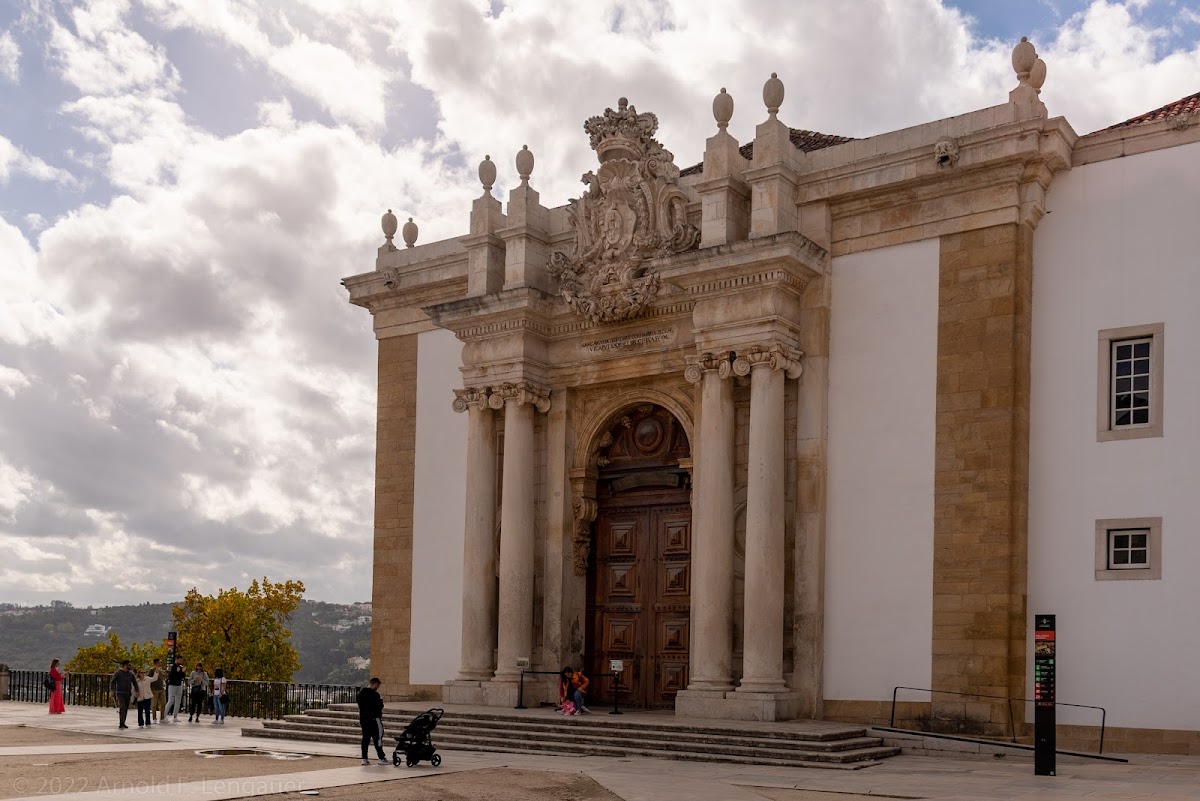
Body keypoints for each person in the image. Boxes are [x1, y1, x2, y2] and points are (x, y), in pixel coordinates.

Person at [356, 677, 388, 766]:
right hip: (374, 719)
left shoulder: (360, 693)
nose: (377, 687)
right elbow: (379, 706)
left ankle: (364, 758)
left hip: (364, 719)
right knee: (378, 738)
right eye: (377, 685)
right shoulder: (375, 695)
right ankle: (381, 757)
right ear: (374, 684)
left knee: (365, 739)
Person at [109, 660, 137, 729]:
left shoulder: (131, 674)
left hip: (128, 693)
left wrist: (137, 691)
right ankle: (121, 723)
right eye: (129, 665)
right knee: (122, 707)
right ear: (125, 665)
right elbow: (112, 681)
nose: (130, 666)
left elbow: (135, 682)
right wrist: (112, 690)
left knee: (126, 708)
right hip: (120, 693)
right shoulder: (118, 673)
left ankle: (123, 722)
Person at [165, 656, 186, 723]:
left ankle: (175, 716)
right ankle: (164, 715)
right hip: (172, 685)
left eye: (181, 660)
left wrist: (182, 672)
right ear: (176, 660)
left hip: (179, 685)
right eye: (179, 660)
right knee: (171, 700)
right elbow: (170, 676)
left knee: (178, 701)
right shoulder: (172, 667)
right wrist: (176, 671)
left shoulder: (180, 667)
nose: (180, 662)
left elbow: (183, 676)